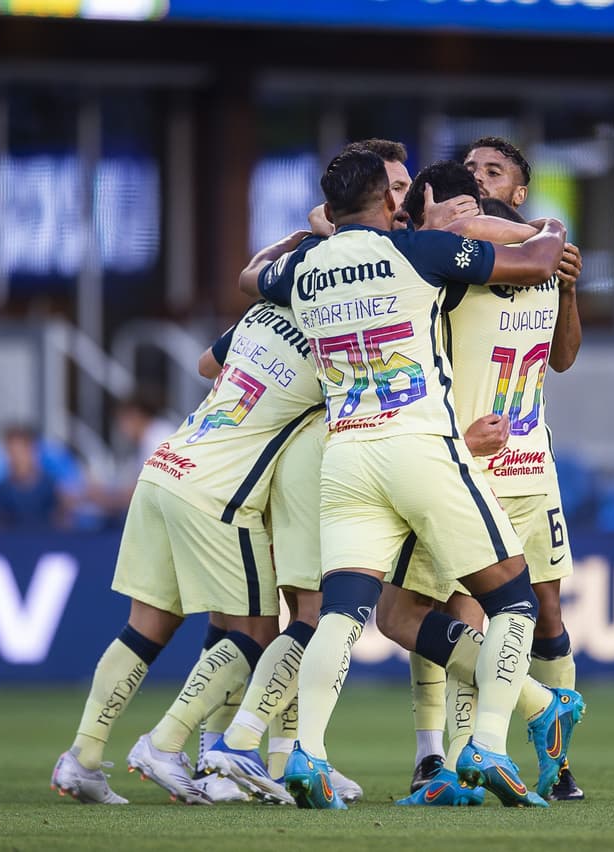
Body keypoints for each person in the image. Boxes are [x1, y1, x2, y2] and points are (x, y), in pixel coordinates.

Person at [245, 146, 576, 809]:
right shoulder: (420, 252)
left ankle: (308, 752)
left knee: (341, 614)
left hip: (347, 454)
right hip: (419, 444)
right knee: (512, 600)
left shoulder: (306, 266)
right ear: (390, 203)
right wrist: (549, 230)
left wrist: (302, 233)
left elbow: (252, 275)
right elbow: (539, 259)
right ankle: (487, 740)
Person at [49, 297, 324, 806]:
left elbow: (205, 364)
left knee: (145, 628)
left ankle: (83, 758)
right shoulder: (335, 333)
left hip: (165, 467)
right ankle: (166, 743)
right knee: (259, 634)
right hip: (218, 493)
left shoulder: (261, 314)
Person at [379, 159, 587, 804]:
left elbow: (563, 356)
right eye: (472, 170)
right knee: (496, 612)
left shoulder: (460, 269)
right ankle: (468, 752)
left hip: (483, 466)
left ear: (511, 192)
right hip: (509, 462)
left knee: (460, 614)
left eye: (491, 172)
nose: (479, 178)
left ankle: (518, 747)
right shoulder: (537, 255)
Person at [0, 424, 61, 528]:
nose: (15, 458)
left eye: (20, 451)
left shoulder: (50, 487)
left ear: (31, 451)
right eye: (11, 452)